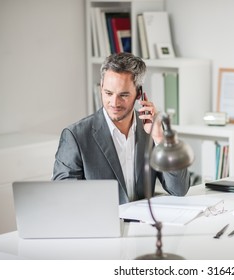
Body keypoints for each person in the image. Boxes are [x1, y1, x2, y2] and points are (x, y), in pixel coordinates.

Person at [52, 52, 190, 204]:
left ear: (139, 94)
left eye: (123, 95)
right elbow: (63, 200)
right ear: (101, 87)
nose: (114, 102)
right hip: (101, 225)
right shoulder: (75, 137)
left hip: (143, 225)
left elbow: (179, 190)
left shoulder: (151, 129)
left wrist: (160, 139)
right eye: (108, 93)